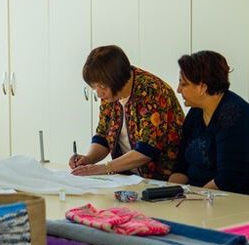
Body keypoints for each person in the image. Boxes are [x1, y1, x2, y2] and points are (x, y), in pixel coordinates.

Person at [167, 51, 249, 197]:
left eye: (183, 84)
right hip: (202, 196)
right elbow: (182, 166)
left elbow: (229, 178)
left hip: (242, 199)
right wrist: (169, 193)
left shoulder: (234, 115)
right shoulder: (196, 111)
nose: (178, 90)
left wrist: (193, 198)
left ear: (202, 87)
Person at [68, 45, 184, 180]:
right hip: (129, 178)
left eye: (102, 86)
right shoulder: (110, 93)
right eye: (94, 87)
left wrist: (104, 168)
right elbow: (103, 136)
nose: (98, 94)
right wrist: (88, 159)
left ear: (117, 79)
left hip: (164, 180)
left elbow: (147, 150)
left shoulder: (151, 91)